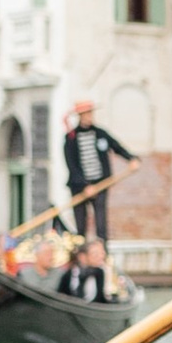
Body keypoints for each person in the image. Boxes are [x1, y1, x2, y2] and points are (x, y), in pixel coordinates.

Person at [62, 101, 134, 249]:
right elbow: (72, 166)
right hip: (79, 187)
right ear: (80, 116)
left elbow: (116, 146)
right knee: (81, 225)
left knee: (101, 224)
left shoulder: (100, 133)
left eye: (91, 113)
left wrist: (132, 159)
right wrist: (85, 186)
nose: (90, 117)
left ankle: (103, 254)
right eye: (87, 114)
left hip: (101, 184)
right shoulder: (71, 138)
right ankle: (81, 256)